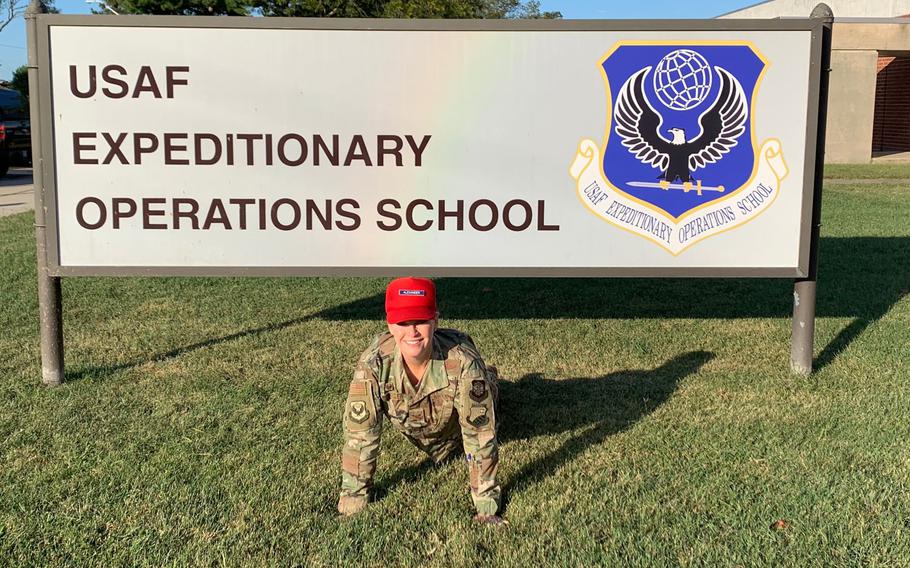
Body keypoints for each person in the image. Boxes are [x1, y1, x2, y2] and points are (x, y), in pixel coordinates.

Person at [337, 277, 506, 525]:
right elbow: (361, 436)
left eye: (420, 320)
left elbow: (479, 433)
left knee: (487, 397)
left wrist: (486, 507)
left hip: (455, 431)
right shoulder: (374, 365)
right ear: (390, 325)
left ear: (435, 320)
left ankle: (490, 377)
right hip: (423, 429)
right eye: (403, 322)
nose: (412, 331)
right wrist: (353, 500)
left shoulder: (462, 362)